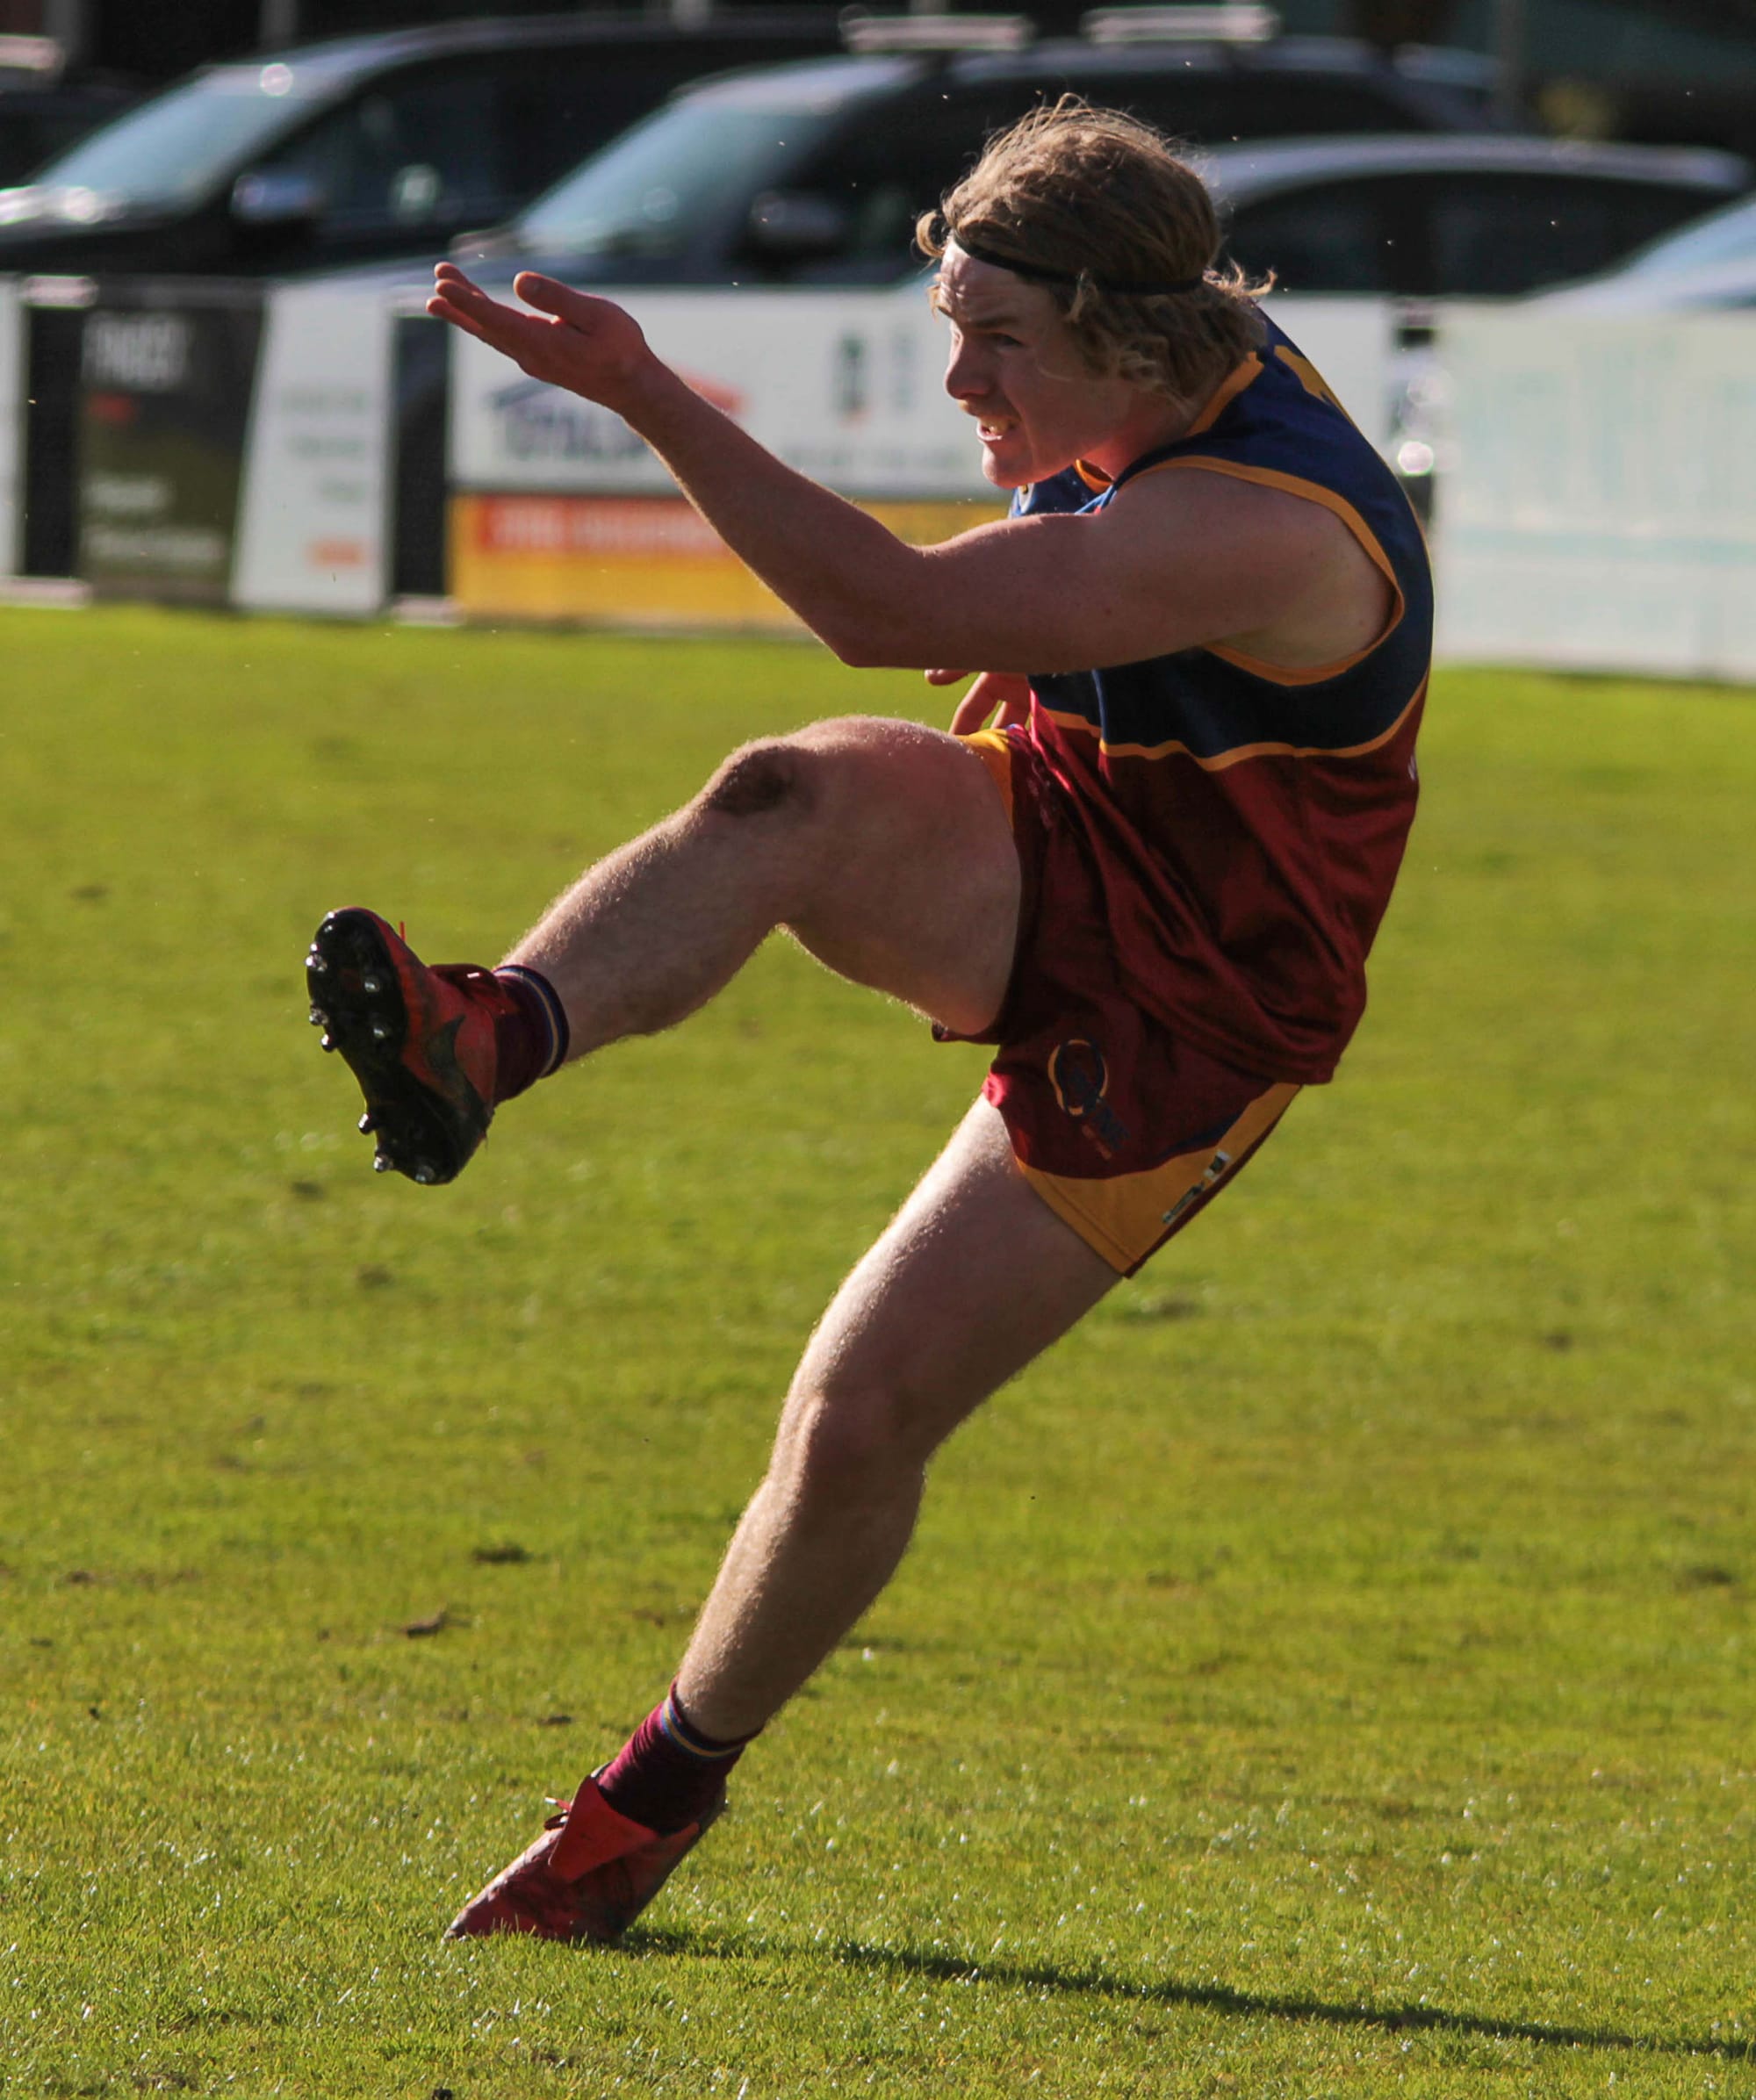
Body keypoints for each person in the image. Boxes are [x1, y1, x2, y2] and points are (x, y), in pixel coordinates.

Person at [304, 101, 1431, 1944]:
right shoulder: (1158, 367)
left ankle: (642, 1807)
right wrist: (1050, 606)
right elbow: (1029, 556)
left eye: (997, 340)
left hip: (1193, 1006)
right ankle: (484, 1037)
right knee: (790, 797)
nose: (959, 374)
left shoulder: (1248, 516)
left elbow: (879, 608)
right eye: (950, 321)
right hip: (1065, 838)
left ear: (1129, 333)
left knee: (853, 1415)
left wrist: (648, 395)